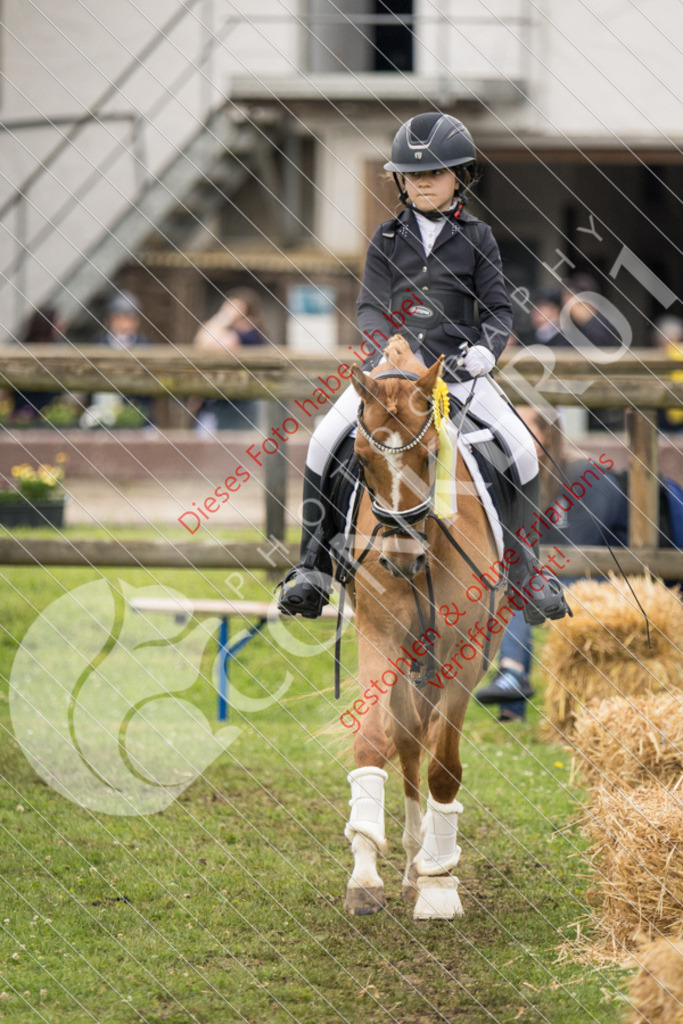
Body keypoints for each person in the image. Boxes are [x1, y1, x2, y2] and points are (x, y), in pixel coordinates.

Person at [276, 111, 570, 626]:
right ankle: (312, 568)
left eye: (433, 173)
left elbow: (497, 310)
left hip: (457, 372)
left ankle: (528, 573)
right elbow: (370, 305)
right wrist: (385, 348)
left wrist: (486, 351)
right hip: (391, 373)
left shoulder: (479, 237)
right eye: (413, 176)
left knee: (523, 449)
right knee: (323, 440)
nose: (423, 183)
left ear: (460, 176)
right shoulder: (386, 238)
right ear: (401, 182)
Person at [475, 405, 629, 721]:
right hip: (552, 575)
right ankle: (511, 695)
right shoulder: (518, 481)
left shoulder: (586, 476)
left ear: (546, 434)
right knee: (514, 586)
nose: (507, 439)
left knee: (520, 588)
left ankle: (512, 676)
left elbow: (577, 550)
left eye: (519, 429)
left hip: (602, 578)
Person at [192, 288, 265, 432]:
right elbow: (200, 342)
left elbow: (206, 342)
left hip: (240, 403)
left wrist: (223, 317)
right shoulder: (232, 331)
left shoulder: (250, 334)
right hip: (221, 402)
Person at [10, 306, 66, 421]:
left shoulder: (59, 349)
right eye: (57, 321)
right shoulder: (22, 350)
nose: (62, 325)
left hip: (50, 412)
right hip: (25, 410)